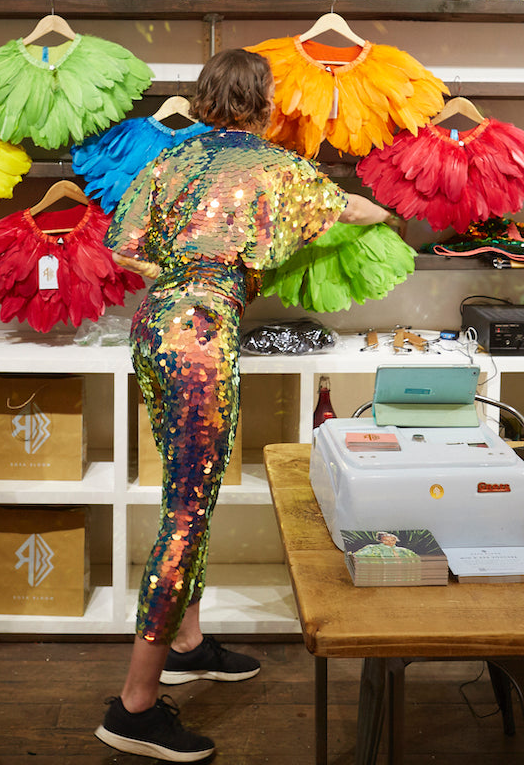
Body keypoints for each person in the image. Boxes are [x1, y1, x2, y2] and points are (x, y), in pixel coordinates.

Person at [95, 48, 395, 761]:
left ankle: (188, 643)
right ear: (264, 108)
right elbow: (348, 208)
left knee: (184, 491)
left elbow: (123, 246)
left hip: (153, 327)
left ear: (201, 101)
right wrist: (381, 211)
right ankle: (135, 705)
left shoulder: (169, 162)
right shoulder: (273, 164)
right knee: (188, 511)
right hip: (203, 333)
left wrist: (184, 265)